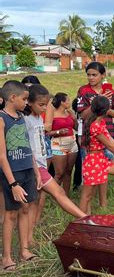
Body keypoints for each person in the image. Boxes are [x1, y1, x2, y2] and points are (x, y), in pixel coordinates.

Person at [24, 85, 86, 245]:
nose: (45, 108)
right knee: (57, 192)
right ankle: (85, 218)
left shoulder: (38, 118)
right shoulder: (26, 120)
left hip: (41, 164)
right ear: (29, 102)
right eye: (41, 105)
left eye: (47, 105)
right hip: (34, 167)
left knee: (34, 202)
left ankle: (29, 238)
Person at [0, 81, 40, 271]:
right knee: (11, 213)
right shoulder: (1, 119)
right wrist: (13, 183)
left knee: (26, 208)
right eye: (24, 99)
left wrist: (36, 171)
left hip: (27, 170)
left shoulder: (22, 118)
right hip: (12, 174)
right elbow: (1, 156)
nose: (26, 102)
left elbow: (28, 146)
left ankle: (24, 250)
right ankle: (6, 257)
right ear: (12, 97)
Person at [77, 62, 114, 206]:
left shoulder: (112, 92)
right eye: (88, 75)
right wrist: (98, 101)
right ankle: (86, 205)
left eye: (94, 75)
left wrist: (105, 107)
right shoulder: (83, 91)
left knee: (104, 172)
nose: (91, 78)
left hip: (107, 134)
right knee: (89, 174)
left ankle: (103, 204)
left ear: (103, 76)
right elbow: (83, 115)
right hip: (90, 138)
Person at [45, 93, 78, 197]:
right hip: (58, 143)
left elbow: (77, 128)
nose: (69, 102)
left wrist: (74, 118)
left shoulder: (69, 113)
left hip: (72, 142)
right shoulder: (52, 114)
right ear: (62, 102)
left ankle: (66, 196)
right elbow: (46, 132)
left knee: (68, 171)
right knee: (59, 173)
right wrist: (58, 132)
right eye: (67, 100)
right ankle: (55, 195)